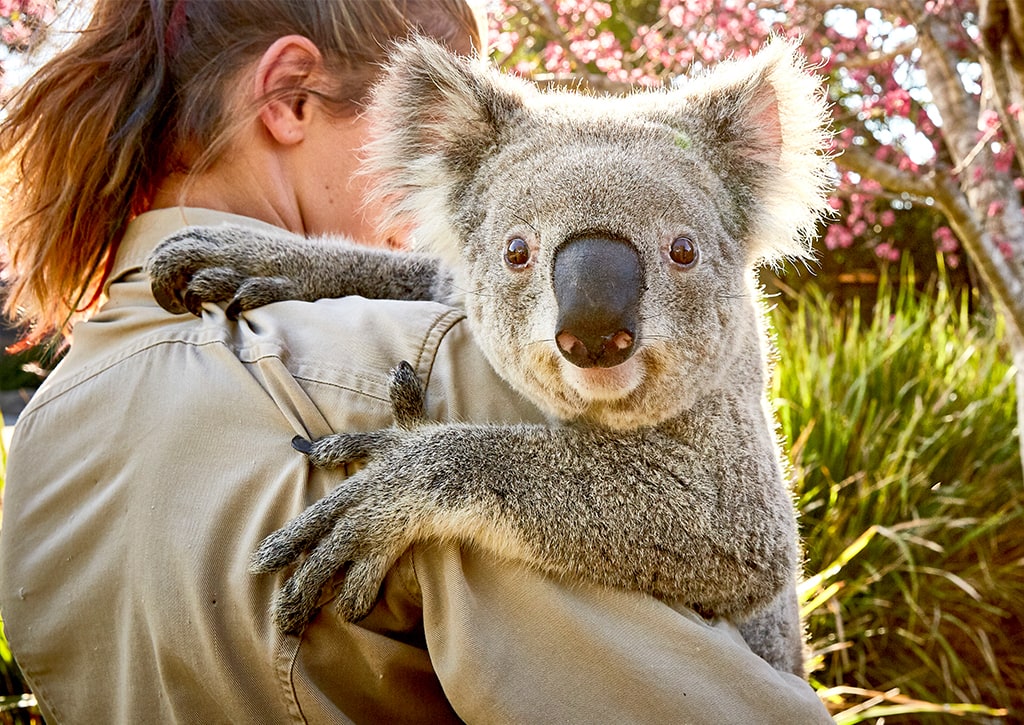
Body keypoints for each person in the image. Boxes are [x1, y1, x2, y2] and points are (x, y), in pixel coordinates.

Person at [0, 1, 835, 722]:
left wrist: (327, 270)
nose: (418, 209)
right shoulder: (448, 381)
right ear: (290, 97)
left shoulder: (47, 436)